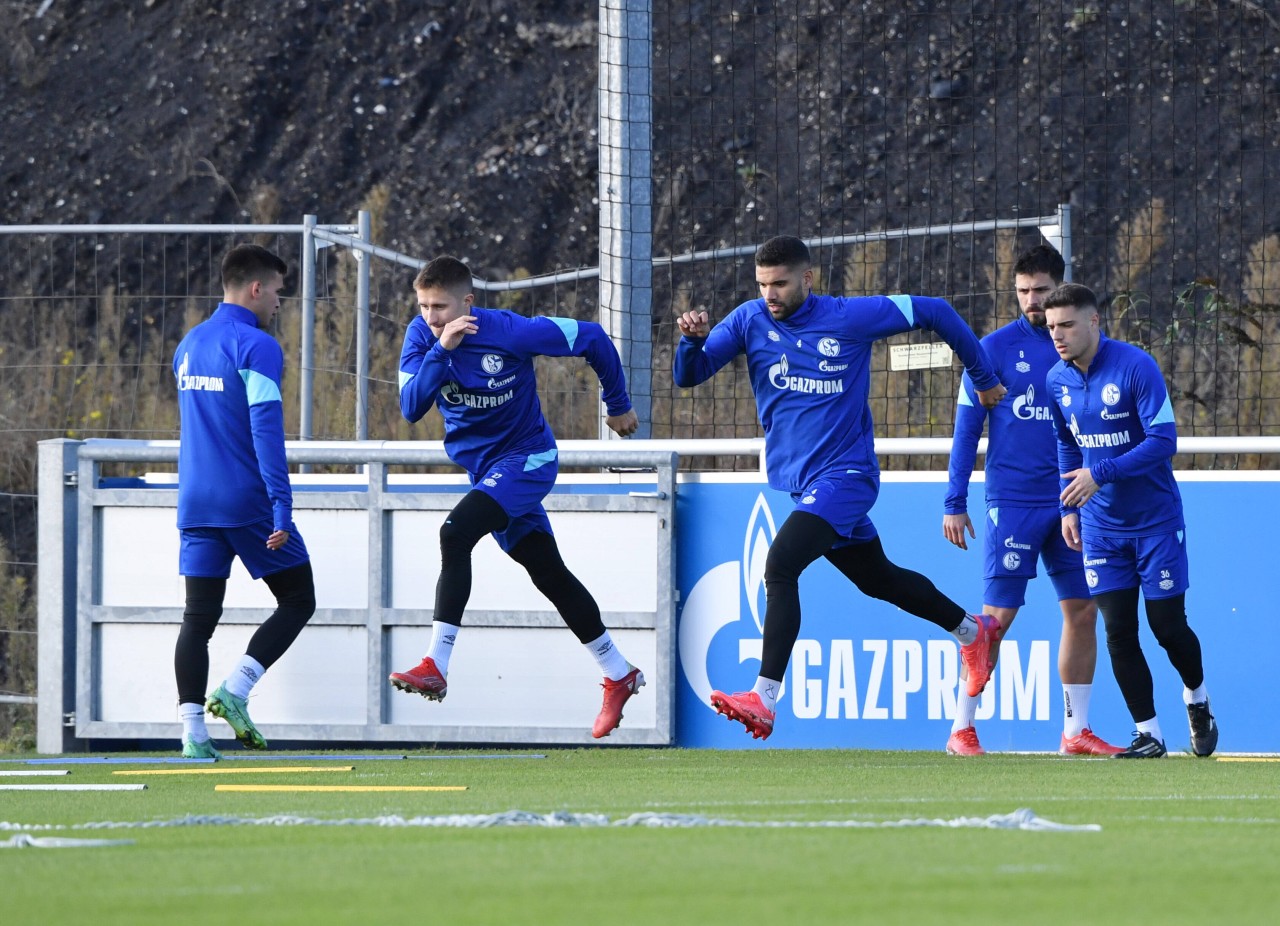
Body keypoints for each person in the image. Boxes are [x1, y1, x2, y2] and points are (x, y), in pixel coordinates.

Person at [673, 235, 1007, 740]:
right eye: (762, 284)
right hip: (806, 484)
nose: (770, 294)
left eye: (780, 283)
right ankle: (972, 631)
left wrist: (983, 378)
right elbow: (689, 375)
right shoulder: (748, 319)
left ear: (807, 278)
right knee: (879, 580)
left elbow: (934, 310)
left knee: (780, 565)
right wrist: (691, 340)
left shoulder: (849, 317)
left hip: (846, 476)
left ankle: (764, 698)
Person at [389, 256, 645, 738]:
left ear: (468, 301)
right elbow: (410, 407)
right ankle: (618, 671)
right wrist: (441, 348)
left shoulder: (508, 331)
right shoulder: (424, 338)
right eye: (423, 306)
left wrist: (619, 405)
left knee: (454, 533)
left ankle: (435, 664)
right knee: (548, 573)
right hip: (487, 475)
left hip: (528, 460)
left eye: (440, 307)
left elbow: (591, 337)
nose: (430, 316)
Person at [942, 245, 1122, 757]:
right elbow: (965, 432)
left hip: (1073, 500)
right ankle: (961, 728)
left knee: (1084, 611)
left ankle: (1075, 731)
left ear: (1060, 288)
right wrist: (955, 501)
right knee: (993, 623)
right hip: (1013, 502)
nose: (1031, 302)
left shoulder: (1087, 349)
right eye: (1022, 292)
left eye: (1040, 291)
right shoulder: (991, 351)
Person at [1044, 282, 1218, 758]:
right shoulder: (1055, 380)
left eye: (1067, 325)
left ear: (1094, 321)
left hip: (1155, 522)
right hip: (1101, 528)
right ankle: (1150, 733)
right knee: (1118, 630)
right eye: (1051, 325)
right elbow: (1066, 442)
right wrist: (1068, 506)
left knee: (1167, 627)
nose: (1057, 334)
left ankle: (1197, 697)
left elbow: (1164, 441)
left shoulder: (1135, 366)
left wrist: (1099, 474)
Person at [172, 244, 317, 759]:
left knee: (198, 619)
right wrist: (282, 503)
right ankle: (234, 691)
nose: (280, 301)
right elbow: (265, 431)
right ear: (256, 288)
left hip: (194, 501)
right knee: (300, 598)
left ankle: (192, 734)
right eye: (278, 290)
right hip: (247, 500)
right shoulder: (256, 346)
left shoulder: (189, 344)